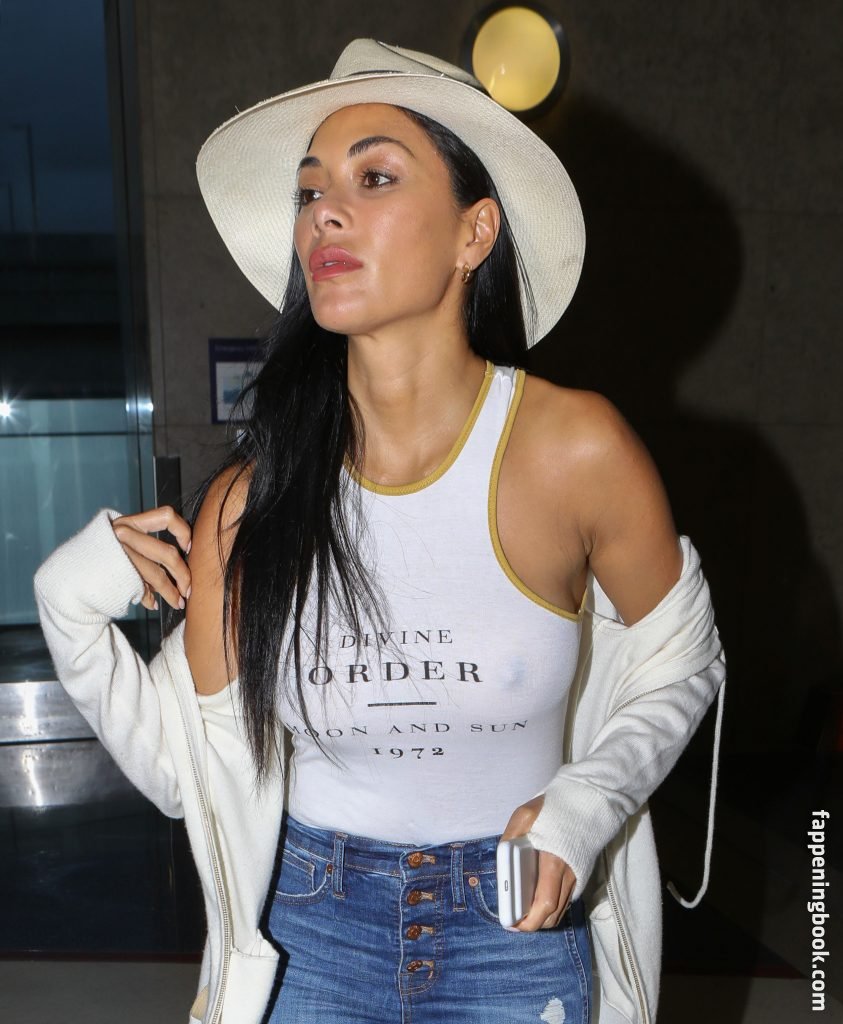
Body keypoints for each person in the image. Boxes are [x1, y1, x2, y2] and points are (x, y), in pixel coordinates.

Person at [33, 39, 726, 1024]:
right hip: (307, 938)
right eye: (310, 188)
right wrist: (69, 609)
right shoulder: (253, 499)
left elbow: (681, 664)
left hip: (516, 930)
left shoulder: (575, 450)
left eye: (376, 176)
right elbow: (189, 771)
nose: (324, 210)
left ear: (474, 232)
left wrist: (587, 802)